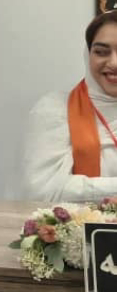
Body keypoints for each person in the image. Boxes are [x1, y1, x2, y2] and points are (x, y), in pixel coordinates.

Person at [24, 10, 117, 202]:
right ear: (88, 55)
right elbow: (44, 190)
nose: (114, 63)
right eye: (101, 52)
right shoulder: (55, 110)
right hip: (80, 223)